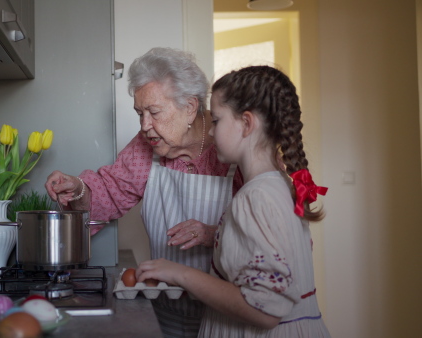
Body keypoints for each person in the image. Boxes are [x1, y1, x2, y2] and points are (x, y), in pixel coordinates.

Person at [45, 47, 243, 337]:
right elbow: (110, 193)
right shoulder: (146, 145)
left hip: (228, 316)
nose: (145, 126)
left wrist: (214, 233)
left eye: (154, 112)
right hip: (168, 309)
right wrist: (77, 188)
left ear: (189, 107)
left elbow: (264, 228)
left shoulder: (229, 141)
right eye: (139, 114)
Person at [135, 65, 331, 337]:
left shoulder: (254, 198)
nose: (211, 132)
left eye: (216, 120)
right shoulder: (279, 186)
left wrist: (180, 273)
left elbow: (265, 310)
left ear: (247, 124)